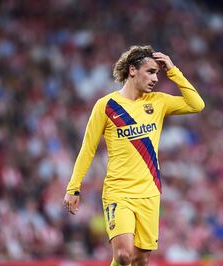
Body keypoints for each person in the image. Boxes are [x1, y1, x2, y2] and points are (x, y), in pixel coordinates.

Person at [63, 45, 205, 266]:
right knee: (123, 255)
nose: (156, 78)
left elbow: (197, 104)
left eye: (157, 73)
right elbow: (88, 148)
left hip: (150, 193)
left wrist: (173, 70)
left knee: (140, 260)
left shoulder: (158, 102)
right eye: (150, 71)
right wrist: (74, 186)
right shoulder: (106, 106)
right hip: (118, 192)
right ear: (132, 70)